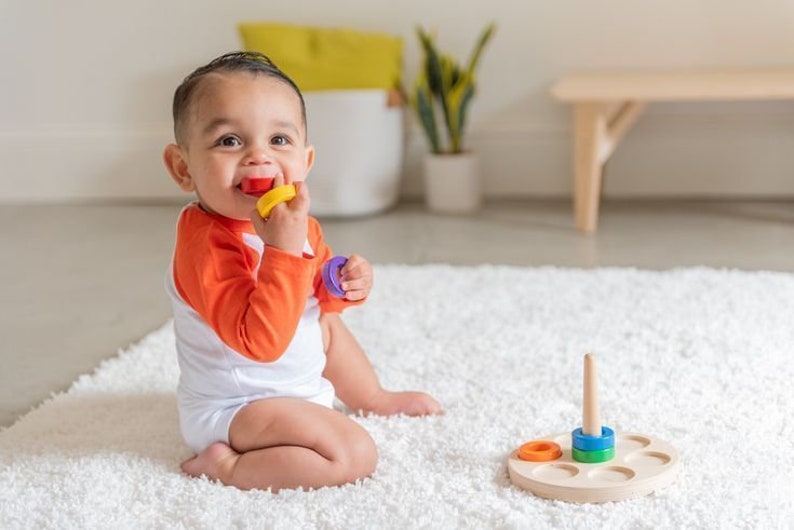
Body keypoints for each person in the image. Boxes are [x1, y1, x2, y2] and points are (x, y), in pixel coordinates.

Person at [162, 51, 442, 492]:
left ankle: (371, 396)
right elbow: (262, 342)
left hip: (295, 388)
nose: (258, 157)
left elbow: (314, 295)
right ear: (183, 167)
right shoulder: (206, 247)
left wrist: (344, 282)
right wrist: (284, 249)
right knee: (353, 454)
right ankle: (227, 467)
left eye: (278, 140)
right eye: (230, 141)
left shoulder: (292, 222)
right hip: (238, 406)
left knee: (325, 323)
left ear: (305, 161)